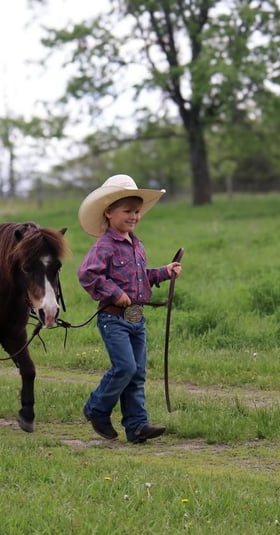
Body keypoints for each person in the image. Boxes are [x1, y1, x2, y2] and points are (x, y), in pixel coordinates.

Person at [77, 174, 182, 443]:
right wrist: (115, 293)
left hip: (137, 318)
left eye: (137, 211)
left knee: (138, 372)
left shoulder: (136, 244)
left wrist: (164, 272)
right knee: (124, 367)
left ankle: (136, 426)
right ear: (109, 213)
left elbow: (140, 277)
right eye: (127, 211)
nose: (134, 216)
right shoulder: (104, 245)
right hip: (114, 319)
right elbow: (88, 274)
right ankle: (96, 408)